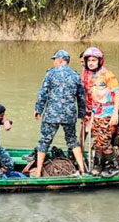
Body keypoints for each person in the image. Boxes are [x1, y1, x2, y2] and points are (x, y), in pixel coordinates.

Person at [33, 49, 87, 177]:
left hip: (52, 114)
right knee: (72, 140)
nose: (54, 63)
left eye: (55, 60)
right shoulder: (75, 75)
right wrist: (82, 115)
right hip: (69, 114)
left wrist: (38, 109)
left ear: (60, 60)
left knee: (44, 141)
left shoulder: (51, 74)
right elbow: (81, 97)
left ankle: (38, 171)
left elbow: (43, 93)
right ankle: (82, 169)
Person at [82, 47, 119, 178]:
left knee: (104, 141)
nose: (91, 63)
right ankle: (97, 166)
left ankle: (115, 166)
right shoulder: (90, 77)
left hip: (108, 112)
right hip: (96, 113)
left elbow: (117, 93)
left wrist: (115, 113)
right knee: (97, 141)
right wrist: (90, 117)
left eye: (94, 60)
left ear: (100, 61)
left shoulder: (107, 74)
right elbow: (91, 98)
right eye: (89, 61)